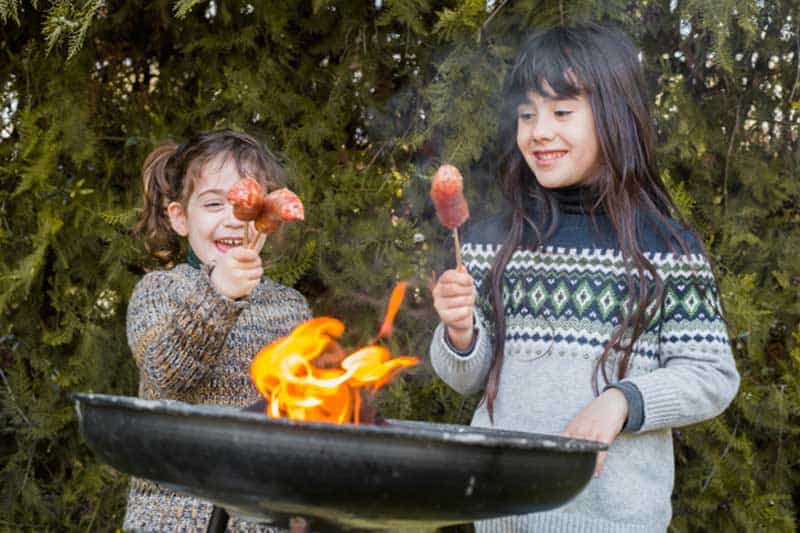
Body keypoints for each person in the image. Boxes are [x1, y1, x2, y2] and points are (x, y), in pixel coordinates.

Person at [429, 24, 740, 532]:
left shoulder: (666, 250)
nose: (538, 131)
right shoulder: (489, 242)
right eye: (526, 114)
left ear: (616, 116)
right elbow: (467, 378)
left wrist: (623, 401)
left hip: (613, 521)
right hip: (501, 516)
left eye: (562, 112)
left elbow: (711, 375)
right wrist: (460, 333)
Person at [123, 129, 311, 532]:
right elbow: (167, 374)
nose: (232, 218)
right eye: (213, 204)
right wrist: (219, 295)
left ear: (268, 218)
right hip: (173, 519)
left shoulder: (292, 309)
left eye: (247, 203)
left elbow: (302, 421)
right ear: (180, 218)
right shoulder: (159, 291)